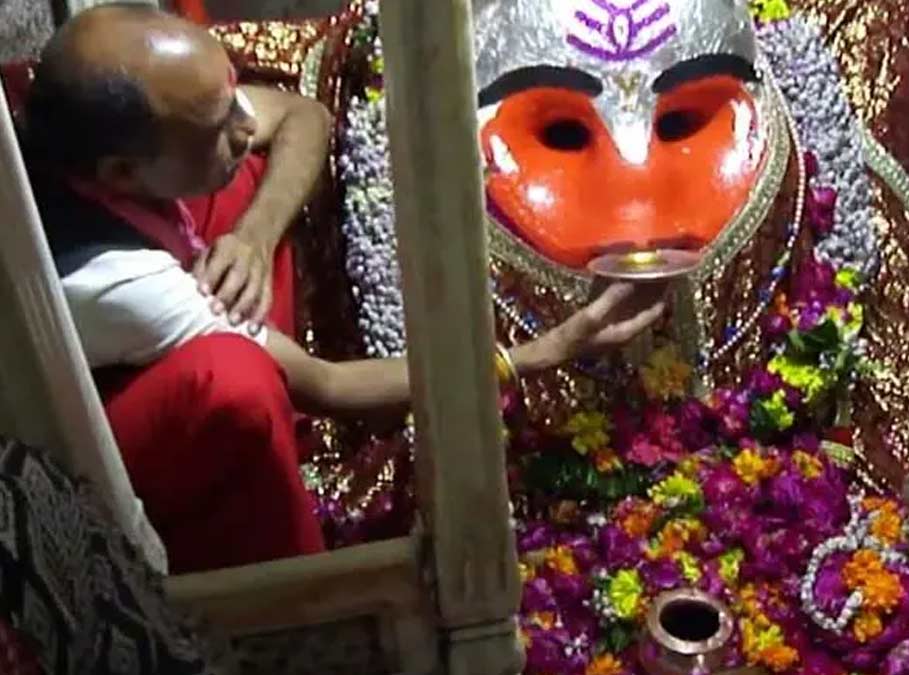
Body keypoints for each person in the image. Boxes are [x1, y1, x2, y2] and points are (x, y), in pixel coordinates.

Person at [20, 4, 665, 573]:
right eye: (216, 129)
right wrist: (540, 352)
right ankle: (294, 593)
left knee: (248, 183)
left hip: (160, 261)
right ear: (123, 172)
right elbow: (327, 385)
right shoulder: (117, 282)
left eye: (230, 98)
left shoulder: (144, 133)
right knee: (234, 376)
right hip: (67, 441)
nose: (243, 130)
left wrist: (254, 233)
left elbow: (302, 113)